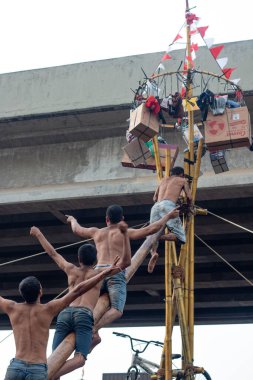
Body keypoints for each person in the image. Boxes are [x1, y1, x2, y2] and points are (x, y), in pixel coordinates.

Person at [66, 204, 179, 350]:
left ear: (106, 219)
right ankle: (93, 328)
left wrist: (72, 219)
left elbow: (77, 229)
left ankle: (90, 331)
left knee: (89, 304)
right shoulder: (125, 232)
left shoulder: (96, 232)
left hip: (98, 274)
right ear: (122, 219)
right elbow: (152, 229)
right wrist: (168, 216)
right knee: (117, 310)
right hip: (115, 273)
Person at [30, 222, 130, 380]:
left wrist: (38, 233)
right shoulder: (100, 273)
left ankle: (51, 373)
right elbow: (126, 263)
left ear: (78, 258)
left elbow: (52, 253)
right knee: (80, 359)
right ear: (96, 258)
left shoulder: (71, 269)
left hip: (65, 315)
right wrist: (125, 235)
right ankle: (46, 375)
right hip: (83, 316)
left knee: (56, 358)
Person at [1, 261, 120, 380]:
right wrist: (103, 274)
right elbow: (78, 290)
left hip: (15, 367)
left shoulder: (12, 308)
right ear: (40, 292)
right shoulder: (48, 309)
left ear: (21, 293)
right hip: (36, 369)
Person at [148, 166, 193, 273]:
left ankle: (153, 253)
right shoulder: (182, 180)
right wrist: (189, 206)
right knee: (181, 238)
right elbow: (189, 197)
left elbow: (154, 198)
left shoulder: (163, 180)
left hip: (155, 206)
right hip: (168, 206)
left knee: (152, 232)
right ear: (181, 174)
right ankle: (160, 237)